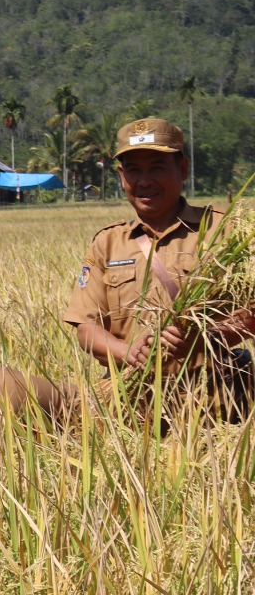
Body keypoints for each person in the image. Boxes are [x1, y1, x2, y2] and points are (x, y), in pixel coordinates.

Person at [63, 116, 255, 415]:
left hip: (215, 401)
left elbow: (251, 312)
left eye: (157, 168)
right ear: (121, 176)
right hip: (131, 402)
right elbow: (87, 329)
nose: (144, 181)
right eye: (133, 170)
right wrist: (130, 353)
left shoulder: (225, 231)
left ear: (183, 169)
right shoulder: (107, 243)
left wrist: (205, 339)